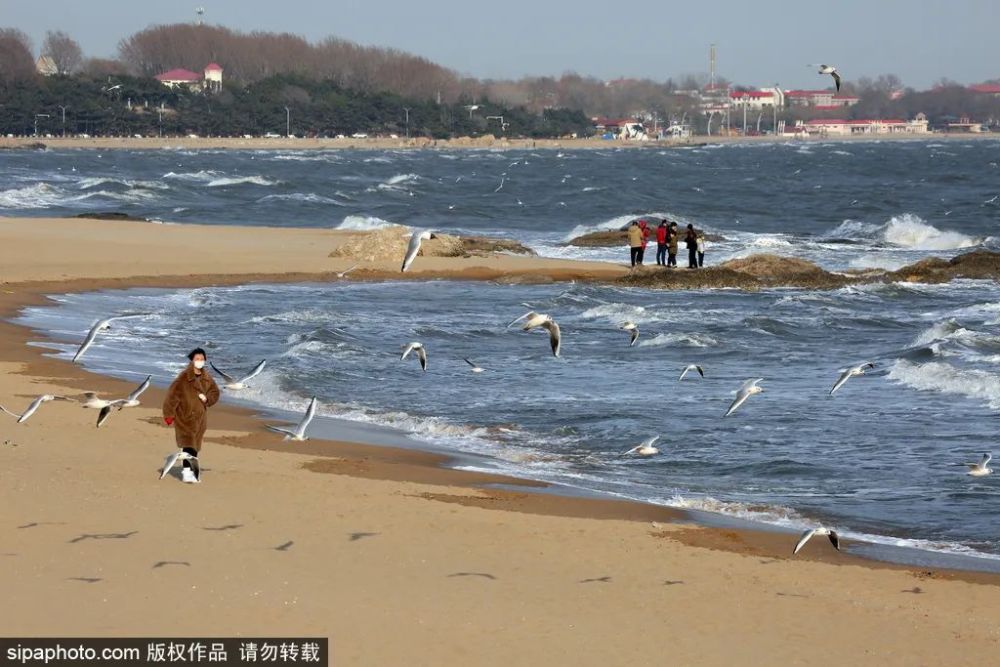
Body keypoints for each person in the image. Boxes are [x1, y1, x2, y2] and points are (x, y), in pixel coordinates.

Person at [162, 347, 221, 483]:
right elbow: (171, 397)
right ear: (192, 360)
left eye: (202, 359)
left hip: (200, 419)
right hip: (185, 417)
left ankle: (192, 470)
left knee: (195, 446)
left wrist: (207, 399)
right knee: (188, 445)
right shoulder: (183, 378)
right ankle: (187, 472)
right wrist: (169, 414)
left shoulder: (207, 378)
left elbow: (215, 392)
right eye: (197, 359)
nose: (200, 361)